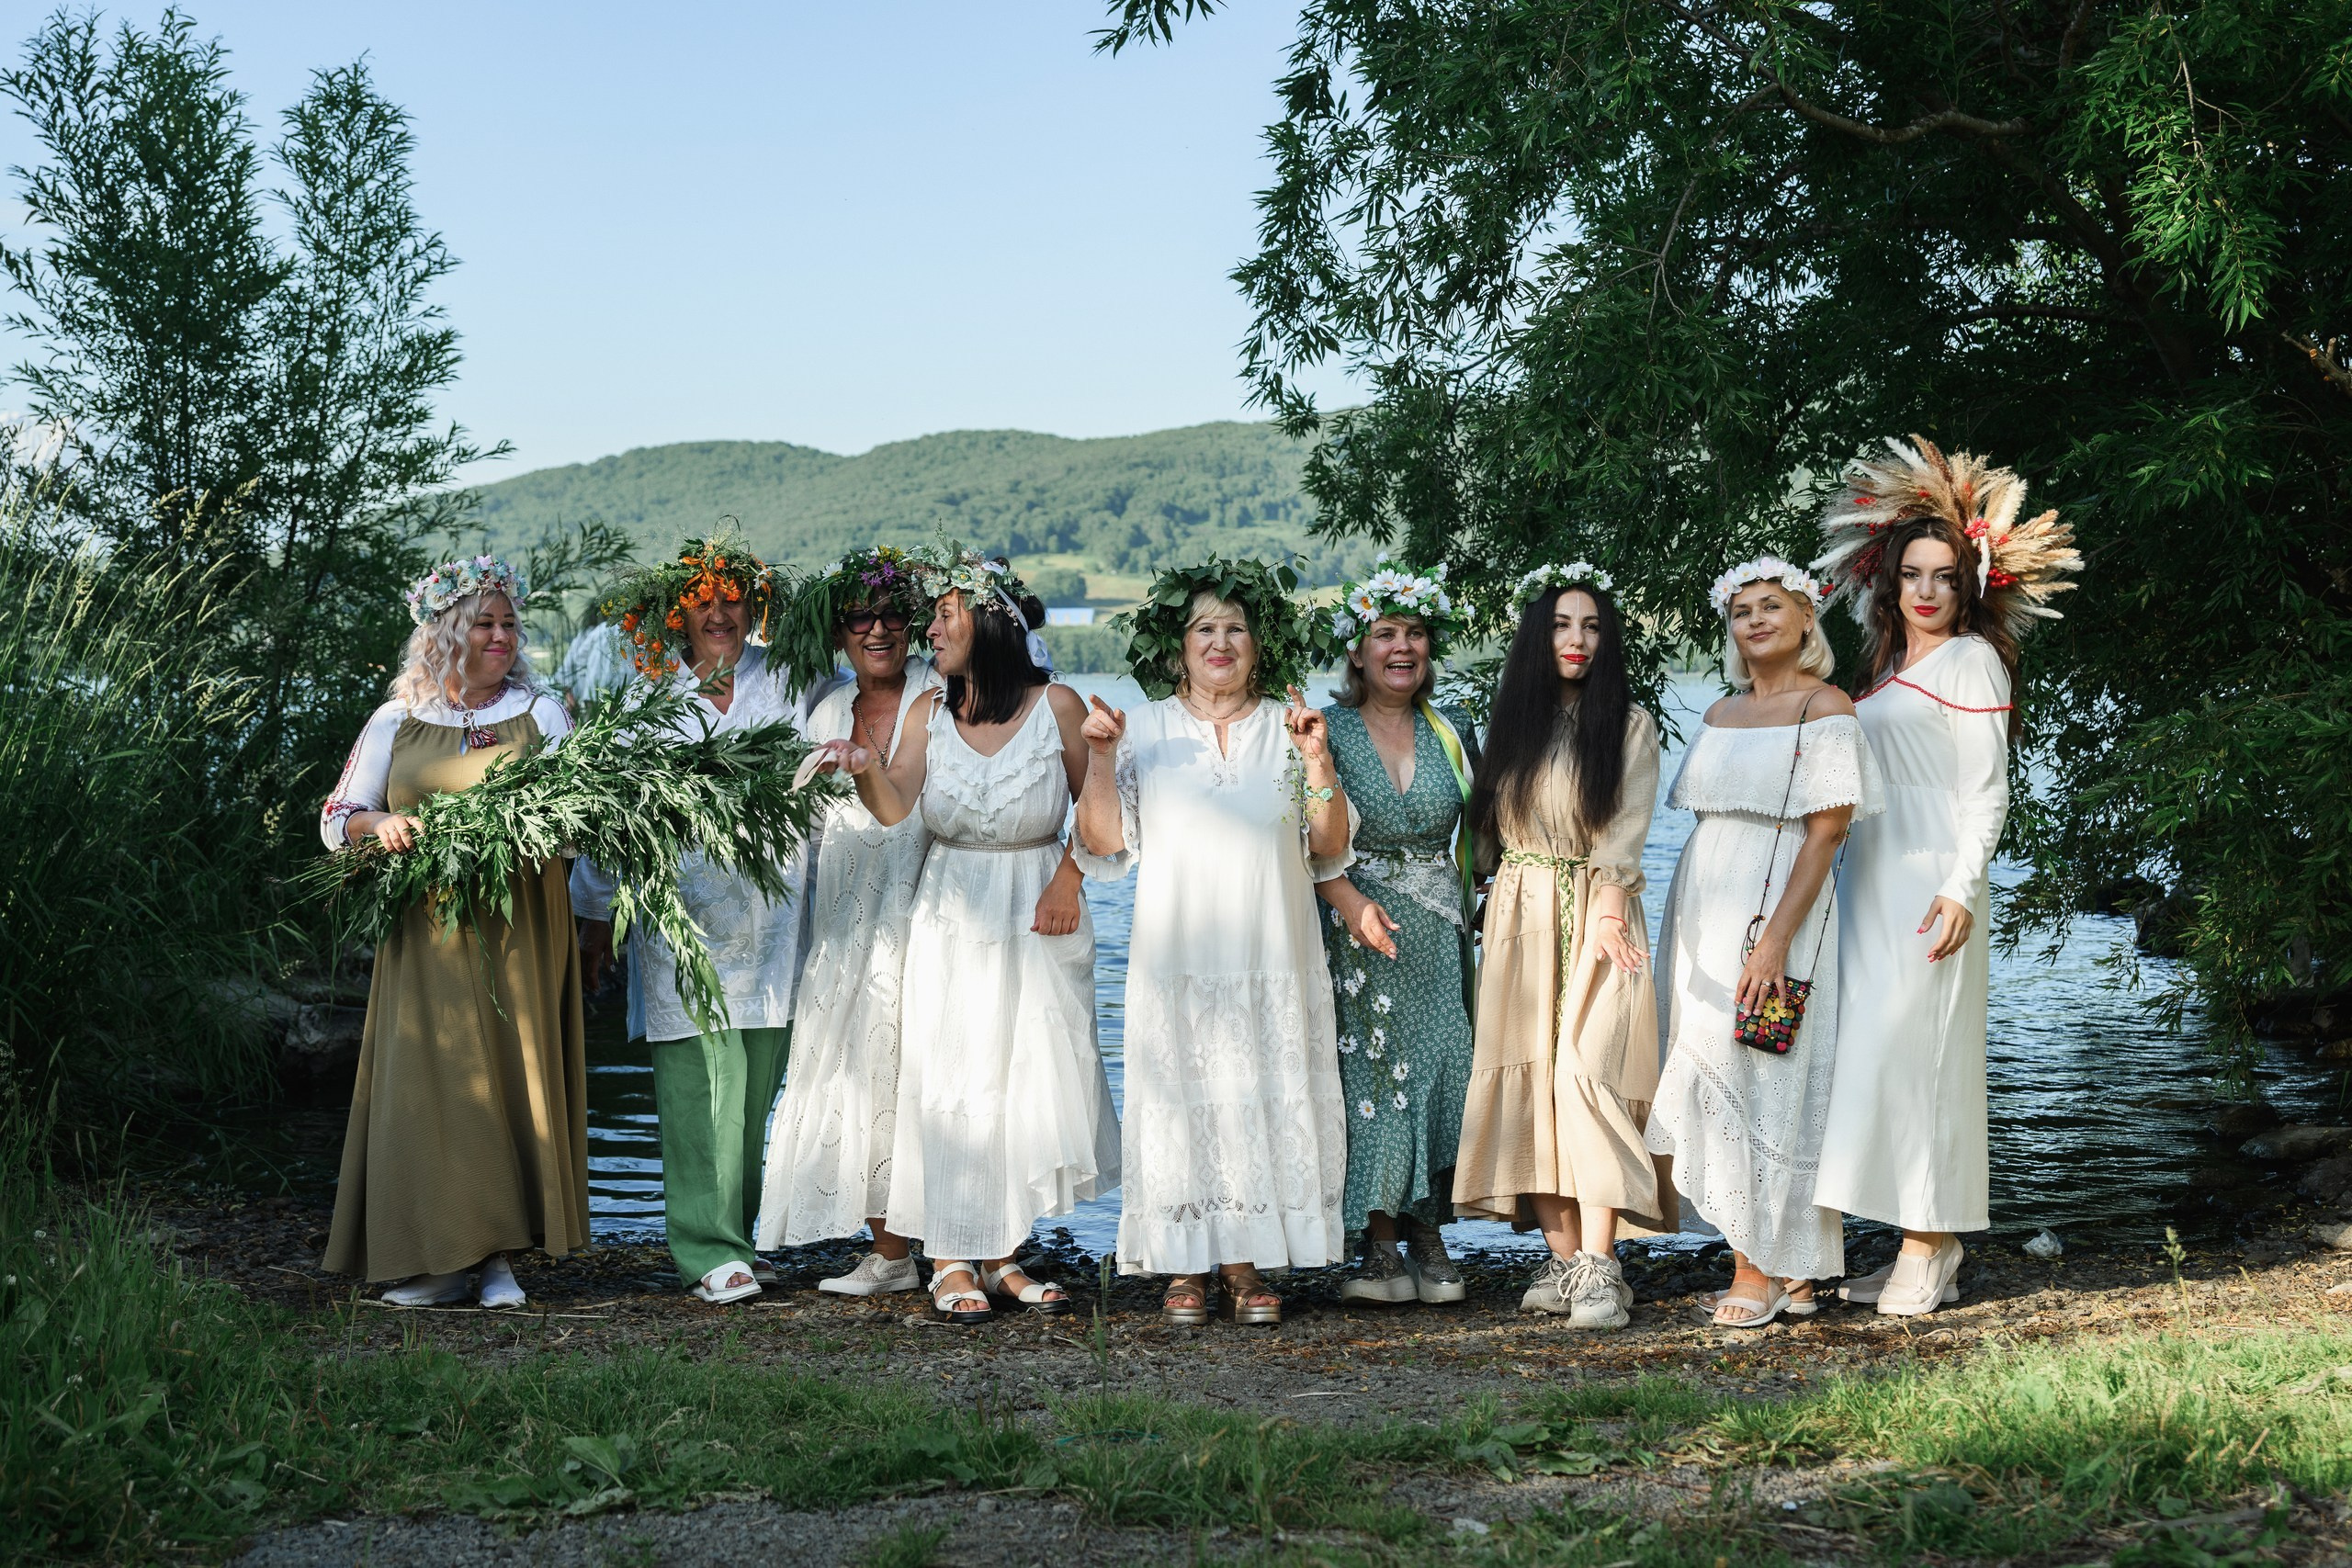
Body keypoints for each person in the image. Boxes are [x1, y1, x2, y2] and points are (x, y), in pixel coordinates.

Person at [1811, 439, 2080, 1315]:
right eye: (1913, 574)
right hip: (1871, 881)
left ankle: (1934, 1244)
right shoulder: (1890, 669)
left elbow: (1986, 789)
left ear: (1968, 587)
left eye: (1944, 576)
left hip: (1932, 881)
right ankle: (1913, 1238)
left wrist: (1964, 885)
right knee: (1878, 1062)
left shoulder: (1971, 660)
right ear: (1890, 584)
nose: (1926, 590)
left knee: (1926, 1061)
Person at [812, 548, 1117, 1323]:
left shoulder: (1058, 706)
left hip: (1037, 902)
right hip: (952, 905)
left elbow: (1105, 820)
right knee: (949, 1076)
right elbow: (893, 804)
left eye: (944, 614)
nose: (930, 629)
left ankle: (1003, 1253)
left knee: (1022, 1077)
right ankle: (948, 1256)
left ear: (989, 621)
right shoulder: (927, 714)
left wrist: (1068, 879)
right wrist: (858, 764)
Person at [1074, 560, 1352, 1327]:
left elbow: (1328, 847)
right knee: (1182, 1097)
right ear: (1179, 645)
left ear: (1261, 644)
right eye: (1204, 628)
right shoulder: (1147, 729)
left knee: (1257, 1093)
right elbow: (1101, 844)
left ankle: (1244, 1260)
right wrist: (1100, 755)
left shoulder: (1291, 726)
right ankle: (1183, 1264)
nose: (1221, 640)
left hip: (1271, 953)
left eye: (1236, 627)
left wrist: (1319, 761)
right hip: (1180, 962)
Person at [320, 557, 587, 1309]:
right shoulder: (396, 719)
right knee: (436, 1087)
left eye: (509, 623)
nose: (502, 635)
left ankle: (499, 1260)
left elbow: (578, 819)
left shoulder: (543, 714)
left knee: (508, 1076)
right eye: (485, 622)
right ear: (446, 631)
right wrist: (383, 823)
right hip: (428, 934)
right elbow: (337, 817)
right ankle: (440, 1261)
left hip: (521, 927)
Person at [1645, 557, 1883, 1329]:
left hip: (1780, 907)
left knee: (1770, 1071)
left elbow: (1828, 830)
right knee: (1717, 1067)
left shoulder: (1827, 706)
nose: (1755, 619)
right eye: (1741, 609)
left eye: (1770, 605)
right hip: (1706, 907)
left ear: (1807, 617)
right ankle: (1792, 1266)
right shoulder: (1719, 712)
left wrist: (1775, 939)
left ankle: (1762, 1266)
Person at [571, 534, 800, 1305]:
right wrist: (597, 920)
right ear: (677, 612)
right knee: (697, 1081)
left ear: (753, 606)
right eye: (702, 599)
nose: (719, 611)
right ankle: (706, 1249)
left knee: (753, 1083)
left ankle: (736, 1233)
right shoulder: (645, 699)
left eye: (732, 596)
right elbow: (613, 818)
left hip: (774, 919)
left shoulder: (791, 686)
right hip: (683, 921)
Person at [1453, 565, 1666, 1328]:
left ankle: (1604, 1267)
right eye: (1561, 626)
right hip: (1518, 913)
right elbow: (1482, 837)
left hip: (1599, 908)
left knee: (1587, 1074)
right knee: (1527, 1078)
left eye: (1593, 627)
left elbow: (1625, 829)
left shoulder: (1630, 725)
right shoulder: (1511, 721)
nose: (1577, 640)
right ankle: (1564, 1255)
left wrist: (1607, 909)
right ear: (1537, 638)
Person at [756, 547, 939, 1294]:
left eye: (893, 614)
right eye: (860, 617)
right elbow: (798, 820)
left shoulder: (939, 693)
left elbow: (911, 799)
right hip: (845, 907)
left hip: (925, 897)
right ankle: (891, 1253)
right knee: (862, 1069)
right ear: (840, 633)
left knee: (928, 1067)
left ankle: (958, 1243)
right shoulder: (827, 709)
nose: (877, 628)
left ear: (914, 625)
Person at [1314, 563, 1481, 1306]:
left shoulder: (1455, 728)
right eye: (1385, 633)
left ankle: (1432, 1233)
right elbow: (1310, 841)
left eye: (1414, 632)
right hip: (1356, 920)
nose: (1402, 646)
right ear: (1358, 651)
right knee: (1375, 1077)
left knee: (1445, 1067)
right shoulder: (1329, 728)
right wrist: (1352, 904)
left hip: (1441, 925)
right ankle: (1379, 1244)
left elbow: (1487, 837)